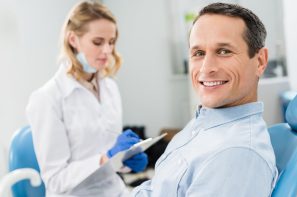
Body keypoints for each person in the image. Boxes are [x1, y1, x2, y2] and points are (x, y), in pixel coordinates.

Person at [132, 3, 278, 197]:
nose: (206, 68)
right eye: (199, 53)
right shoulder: (205, 122)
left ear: (259, 61)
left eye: (224, 51)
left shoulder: (235, 155)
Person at [26, 1, 148, 196]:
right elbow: (56, 181)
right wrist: (105, 158)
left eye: (111, 41)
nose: (107, 50)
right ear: (73, 40)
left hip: (115, 190)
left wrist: (126, 161)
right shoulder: (47, 99)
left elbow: (110, 157)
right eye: (98, 42)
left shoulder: (110, 88)